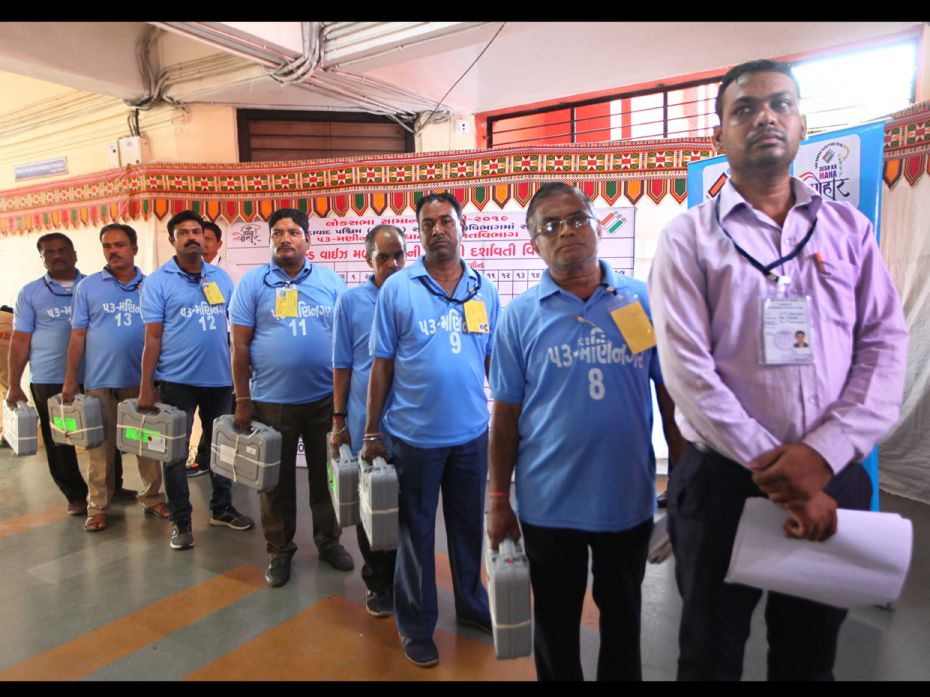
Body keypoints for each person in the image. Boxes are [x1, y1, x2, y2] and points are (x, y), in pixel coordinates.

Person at [648, 59, 908, 681]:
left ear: (801, 125)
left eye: (780, 104)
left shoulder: (850, 230)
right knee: (709, 653)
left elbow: (885, 344)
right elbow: (687, 371)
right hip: (721, 487)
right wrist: (782, 472)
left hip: (831, 481)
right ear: (718, 136)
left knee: (810, 655)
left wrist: (822, 457)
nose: (765, 116)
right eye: (745, 108)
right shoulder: (687, 239)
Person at [486, 183, 684, 681]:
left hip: (627, 501)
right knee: (555, 628)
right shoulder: (519, 318)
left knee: (623, 623)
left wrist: (683, 478)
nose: (566, 231)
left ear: (598, 225)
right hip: (550, 505)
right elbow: (505, 415)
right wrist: (496, 498)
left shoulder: (639, 301)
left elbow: (670, 395)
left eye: (576, 219)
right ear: (534, 244)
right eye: (549, 226)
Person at [360, 192, 498, 668]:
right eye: (428, 223)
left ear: (462, 228)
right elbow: (382, 365)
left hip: (470, 436)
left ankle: (473, 604)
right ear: (418, 232)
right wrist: (371, 432)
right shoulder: (399, 287)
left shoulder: (485, 288)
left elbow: (487, 358)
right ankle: (416, 624)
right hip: (414, 438)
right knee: (414, 535)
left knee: (467, 529)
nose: (439, 229)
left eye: (446, 221)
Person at [230, 207, 353, 587]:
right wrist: (242, 398)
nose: (286, 238)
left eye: (294, 232)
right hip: (271, 402)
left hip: (325, 401)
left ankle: (329, 541)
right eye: (279, 233)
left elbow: (346, 343)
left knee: (327, 477)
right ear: (270, 240)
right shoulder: (252, 283)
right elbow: (239, 346)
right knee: (275, 483)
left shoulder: (332, 282)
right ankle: (280, 551)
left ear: (308, 240)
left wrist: (345, 402)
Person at [139, 210, 254, 551]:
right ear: (172, 239)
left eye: (198, 232)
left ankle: (221, 508)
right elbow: (152, 338)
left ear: (206, 239)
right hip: (177, 381)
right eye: (184, 232)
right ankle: (181, 520)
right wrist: (147, 384)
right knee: (175, 453)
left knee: (222, 449)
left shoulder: (219, 277)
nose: (193, 237)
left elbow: (236, 331)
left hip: (220, 379)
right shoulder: (158, 281)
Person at [60, 224, 168, 532]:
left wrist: (156, 380)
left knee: (147, 445)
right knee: (100, 450)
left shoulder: (152, 286)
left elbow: (163, 335)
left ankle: (153, 497)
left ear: (134, 248)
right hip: (99, 385)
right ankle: (98, 507)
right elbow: (78, 335)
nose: (113, 251)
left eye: (119, 244)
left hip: (141, 383)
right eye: (107, 246)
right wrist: (71, 379)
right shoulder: (88, 287)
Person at [330, 224, 407, 616]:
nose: (393, 264)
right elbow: (342, 364)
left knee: (409, 510)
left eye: (399, 256)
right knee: (372, 508)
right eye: (384, 257)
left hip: (411, 427)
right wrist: (339, 419)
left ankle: (405, 582)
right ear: (368, 259)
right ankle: (378, 583)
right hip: (365, 423)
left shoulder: (415, 293)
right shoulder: (351, 302)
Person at [6, 233, 89, 514]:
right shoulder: (30, 293)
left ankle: (111, 488)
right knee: (60, 440)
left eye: (63, 249)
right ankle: (75, 495)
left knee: (103, 436)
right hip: (48, 378)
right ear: (42, 258)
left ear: (74, 252)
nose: (57, 255)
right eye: (49, 252)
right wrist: (14, 384)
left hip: (94, 375)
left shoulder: (92, 286)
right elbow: (19, 339)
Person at [202, 220, 246, 285]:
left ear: (219, 244)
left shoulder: (233, 271)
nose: (203, 242)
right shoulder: (191, 269)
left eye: (208, 239)